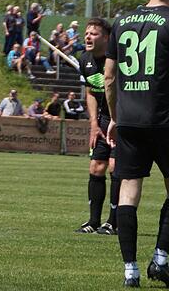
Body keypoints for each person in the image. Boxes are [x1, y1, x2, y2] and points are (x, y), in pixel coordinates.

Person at [105, 0, 169, 288]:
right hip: (164, 118)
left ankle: (130, 270)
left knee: (129, 191)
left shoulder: (121, 21)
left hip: (128, 119)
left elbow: (108, 77)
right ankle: (161, 257)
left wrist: (114, 117)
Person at [75, 18, 119, 235]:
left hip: (122, 120)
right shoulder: (84, 59)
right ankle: (93, 221)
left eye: (93, 33)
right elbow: (91, 92)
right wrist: (93, 123)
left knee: (115, 167)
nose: (88, 37)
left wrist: (117, 119)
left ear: (107, 38)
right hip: (101, 121)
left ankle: (114, 221)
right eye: (87, 33)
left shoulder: (121, 59)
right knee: (96, 167)